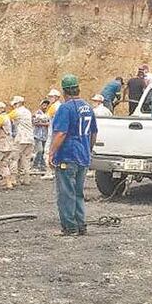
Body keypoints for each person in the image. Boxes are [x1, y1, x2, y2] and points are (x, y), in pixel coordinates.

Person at [47, 74, 98, 237]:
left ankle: (69, 227)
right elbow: (93, 133)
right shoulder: (88, 107)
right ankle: (81, 224)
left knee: (66, 193)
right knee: (78, 192)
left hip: (68, 156)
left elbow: (61, 133)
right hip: (83, 156)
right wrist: (88, 150)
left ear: (64, 91)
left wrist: (51, 153)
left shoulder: (66, 108)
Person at [9, 95, 35, 186]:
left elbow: (6, 118)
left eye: (15, 104)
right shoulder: (28, 111)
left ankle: (13, 179)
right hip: (30, 138)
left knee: (14, 158)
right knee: (26, 159)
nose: (14, 106)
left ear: (18, 103)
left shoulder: (16, 112)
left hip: (21, 138)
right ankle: (26, 179)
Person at [41, 88, 62, 180]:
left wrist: (36, 116)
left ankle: (49, 172)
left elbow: (45, 117)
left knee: (47, 152)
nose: (49, 98)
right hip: (59, 133)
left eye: (51, 97)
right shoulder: (61, 106)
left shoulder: (54, 107)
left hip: (52, 133)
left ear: (56, 97)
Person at [33, 99, 51, 172]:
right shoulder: (37, 113)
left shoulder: (48, 113)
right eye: (44, 105)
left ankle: (42, 165)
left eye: (46, 105)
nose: (45, 106)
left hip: (45, 135)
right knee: (39, 150)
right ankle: (35, 165)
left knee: (44, 151)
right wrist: (45, 124)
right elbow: (35, 122)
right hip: (38, 135)